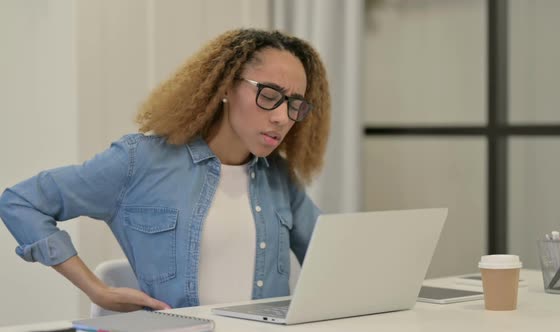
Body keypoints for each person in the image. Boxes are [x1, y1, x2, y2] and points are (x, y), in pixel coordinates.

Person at [0, 28, 330, 312]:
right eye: (270, 95)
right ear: (227, 87)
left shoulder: (279, 177)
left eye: (294, 104)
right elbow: (21, 202)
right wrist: (96, 290)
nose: (282, 117)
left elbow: (333, 257)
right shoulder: (141, 160)